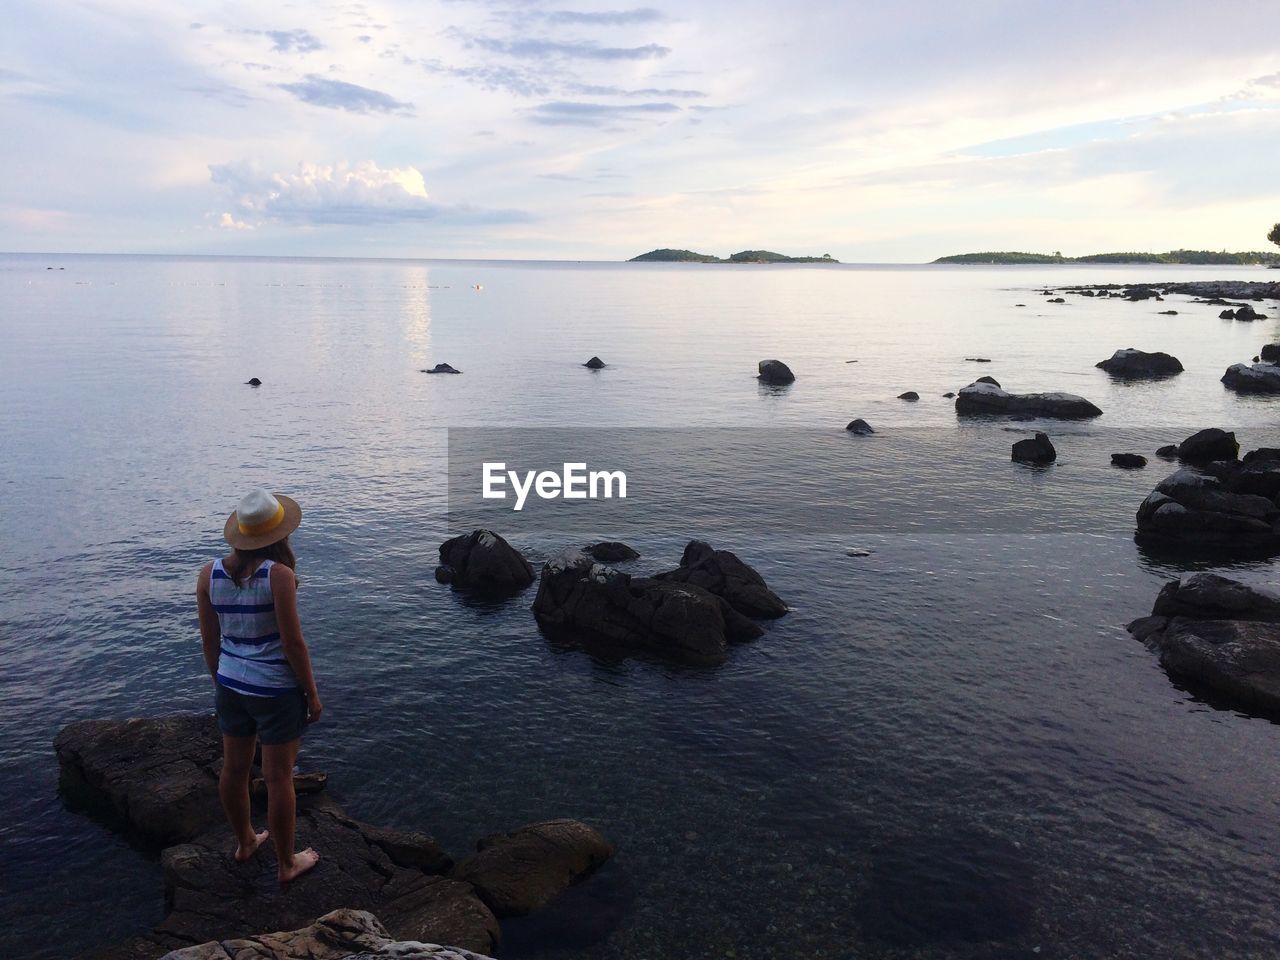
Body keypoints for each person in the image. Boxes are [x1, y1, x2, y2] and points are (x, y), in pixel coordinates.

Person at [195, 488, 323, 884]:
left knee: (233, 769)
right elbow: (292, 643)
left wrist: (224, 680)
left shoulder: (209, 573)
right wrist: (312, 695)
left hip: (230, 685)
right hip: (275, 690)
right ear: (279, 535)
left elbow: (210, 642)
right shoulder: (278, 576)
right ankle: (287, 863)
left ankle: (246, 842)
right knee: (279, 777)